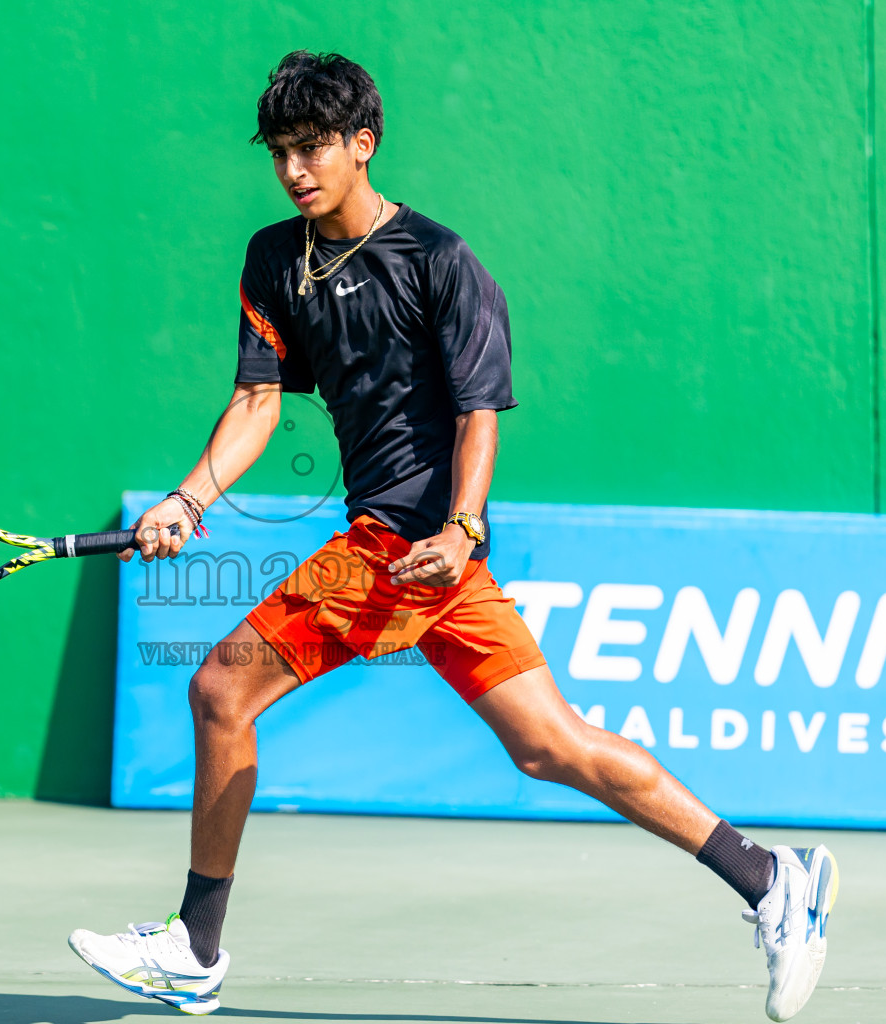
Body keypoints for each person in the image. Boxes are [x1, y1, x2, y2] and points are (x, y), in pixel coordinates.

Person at [68, 51, 838, 1023]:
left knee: (222, 686)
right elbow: (259, 400)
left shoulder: (439, 261)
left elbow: (480, 413)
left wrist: (463, 527)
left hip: (409, 541)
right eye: (280, 154)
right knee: (549, 745)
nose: (296, 170)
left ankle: (195, 946)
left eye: (313, 148)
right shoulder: (274, 258)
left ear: (363, 144)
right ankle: (772, 877)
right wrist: (190, 499)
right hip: (416, 554)